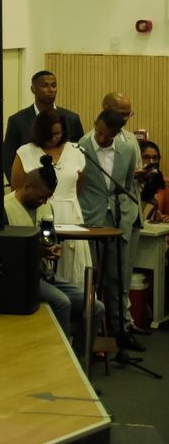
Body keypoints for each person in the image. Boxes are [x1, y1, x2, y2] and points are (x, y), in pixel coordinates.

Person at [3, 158, 99, 357]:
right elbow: (1, 253)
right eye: (41, 197)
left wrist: (52, 249)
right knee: (62, 303)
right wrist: (38, 252)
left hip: (45, 274)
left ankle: (78, 357)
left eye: (47, 198)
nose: (44, 202)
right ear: (27, 186)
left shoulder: (46, 208)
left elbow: (48, 238)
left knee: (95, 306)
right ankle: (61, 359)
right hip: (21, 277)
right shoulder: (3, 209)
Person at [78, 110, 141, 350]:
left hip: (117, 219)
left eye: (109, 135)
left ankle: (120, 329)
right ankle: (90, 331)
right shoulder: (81, 147)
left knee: (118, 277)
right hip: (89, 219)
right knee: (90, 276)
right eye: (99, 132)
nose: (103, 138)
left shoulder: (127, 149)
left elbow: (126, 184)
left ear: (118, 132)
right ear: (95, 124)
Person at [10, 109, 88, 287]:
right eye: (50, 134)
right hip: (38, 214)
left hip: (70, 215)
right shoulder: (25, 152)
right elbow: (17, 191)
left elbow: (78, 186)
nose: (54, 138)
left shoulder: (76, 151)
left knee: (72, 273)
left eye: (58, 134)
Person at [3, 71, 84, 183]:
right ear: (33, 89)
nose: (51, 90)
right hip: (32, 186)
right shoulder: (17, 121)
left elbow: (80, 157)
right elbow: (8, 160)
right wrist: (21, 186)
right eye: (45, 86)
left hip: (67, 185)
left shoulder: (71, 119)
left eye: (53, 85)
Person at [140, 140, 165, 223]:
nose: (151, 162)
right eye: (146, 157)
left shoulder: (163, 183)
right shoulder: (131, 182)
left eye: (155, 158)